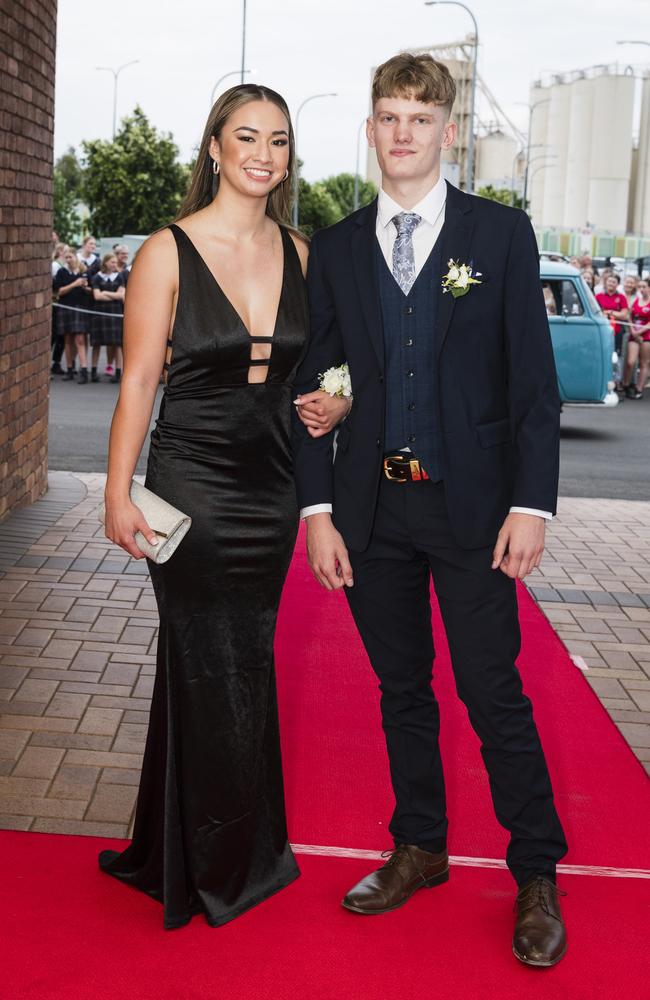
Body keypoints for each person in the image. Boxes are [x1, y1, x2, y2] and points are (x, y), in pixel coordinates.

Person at [293, 52, 568, 968]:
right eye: (387, 116)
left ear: (447, 131)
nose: (402, 132)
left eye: (419, 117)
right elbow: (320, 375)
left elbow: (532, 385)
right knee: (402, 691)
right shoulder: (333, 248)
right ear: (368, 130)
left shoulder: (499, 236)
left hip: (475, 511)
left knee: (494, 694)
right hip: (373, 513)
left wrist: (531, 504)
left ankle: (535, 870)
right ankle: (420, 846)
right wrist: (320, 508)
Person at [98, 83, 348, 930]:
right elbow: (137, 380)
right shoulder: (166, 252)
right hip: (190, 483)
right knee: (213, 661)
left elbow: (322, 373)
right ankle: (221, 861)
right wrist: (116, 489)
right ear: (213, 147)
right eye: (247, 136)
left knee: (235, 659)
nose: (263, 154)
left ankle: (189, 846)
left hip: (272, 484)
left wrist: (335, 403)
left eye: (279, 141)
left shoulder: (305, 254)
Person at [52, 246, 92, 382]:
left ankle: (84, 370)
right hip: (66, 308)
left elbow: (92, 290)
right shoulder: (61, 272)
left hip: (80, 307)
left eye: (70, 257)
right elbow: (59, 291)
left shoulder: (84, 270)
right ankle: (69, 369)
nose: (68, 259)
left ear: (76, 257)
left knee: (80, 339)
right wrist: (75, 284)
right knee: (68, 339)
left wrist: (85, 287)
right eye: (66, 257)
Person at [90, 253, 126, 383]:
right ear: (105, 263)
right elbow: (97, 296)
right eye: (112, 262)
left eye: (115, 262)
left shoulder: (120, 277)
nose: (115, 264)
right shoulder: (97, 278)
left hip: (115, 314)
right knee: (97, 344)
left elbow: (121, 296)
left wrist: (104, 292)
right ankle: (93, 372)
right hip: (100, 314)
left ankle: (118, 373)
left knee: (117, 344)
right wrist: (113, 295)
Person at [596, 273, 629, 387]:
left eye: (614, 282)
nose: (611, 284)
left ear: (617, 284)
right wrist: (615, 313)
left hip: (617, 332)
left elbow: (625, 315)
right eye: (609, 281)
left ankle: (616, 382)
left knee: (617, 356)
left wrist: (609, 312)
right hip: (602, 332)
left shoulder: (622, 298)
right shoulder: (599, 296)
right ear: (606, 282)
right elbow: (595, 312)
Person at [622, 277, 650, 399]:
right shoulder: (636, 301)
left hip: (646, 335)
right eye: (640, 287)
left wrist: (639, 333)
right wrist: (633, 331)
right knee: (631, 361)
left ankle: (639, 388)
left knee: (644, 362)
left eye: (644, 287)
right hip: (634, 334)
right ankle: (626, 384)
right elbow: (630, 316)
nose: (641, 289)